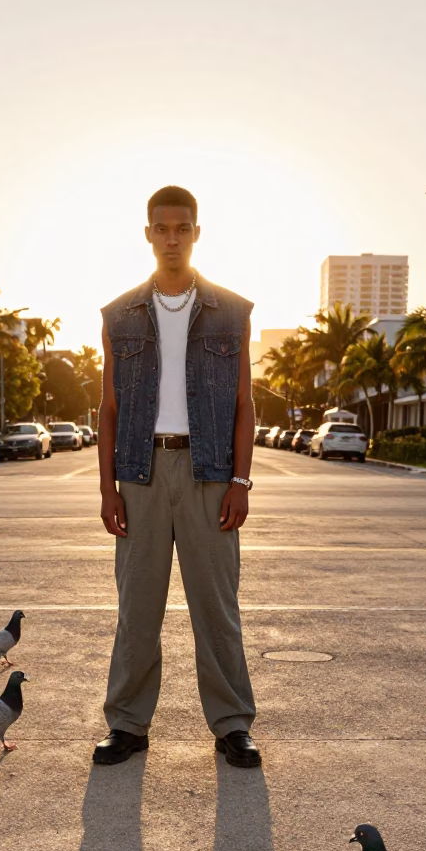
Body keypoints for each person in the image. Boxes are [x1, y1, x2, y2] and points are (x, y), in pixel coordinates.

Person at [94, 185, 259, 768]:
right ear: (148, 234)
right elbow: (109, 409)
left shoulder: (232, 312)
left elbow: (244, 405)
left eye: (181, 228)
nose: (171, 239)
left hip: (210, 474)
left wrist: (241, 482)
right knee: (137, 610)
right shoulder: (118, 315)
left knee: (217, 608)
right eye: (161, 229)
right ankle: (127, 724)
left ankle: (232, 724)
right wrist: (108, 488)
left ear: (196, 233)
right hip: (140, 475)